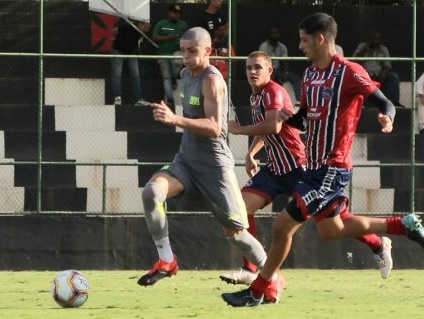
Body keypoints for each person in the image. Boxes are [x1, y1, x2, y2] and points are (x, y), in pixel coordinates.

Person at [221, 13, 424, 307]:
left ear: (320, 38)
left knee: (283, 226)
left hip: (332, 168)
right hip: (313, 166)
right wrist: (289, 118)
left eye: (304, 39)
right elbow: (305, 116)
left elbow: (383, 100)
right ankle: (401, 226)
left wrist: (388, 116)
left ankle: (259, 289)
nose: (300, 45)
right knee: (331, 229)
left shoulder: (349, 71)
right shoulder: (309, 75)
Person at [220, 51, 393, 285]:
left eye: (258, 67)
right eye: (249, 67)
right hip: (274, 170)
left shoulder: (273, 92)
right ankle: (250, 269)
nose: (252, 71)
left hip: (299, 168)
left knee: (333, 220)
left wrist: (238, 130)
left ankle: (378, 244)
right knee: (240, 207)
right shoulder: (256, 96)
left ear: (269, 71)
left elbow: (272, 125)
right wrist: (252, 153)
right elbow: (267, 127)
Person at [137, 27, 268, 293]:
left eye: (192, 51)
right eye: (183, 51)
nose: (185, 56)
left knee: (238, 234)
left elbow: (215, 127)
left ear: (207, 51)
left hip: (214, 167)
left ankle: (270, 273)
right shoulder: (185, 74)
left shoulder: (212, 80)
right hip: (186, 160)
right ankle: (166, 260)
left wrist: (175, 119)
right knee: (151, 192)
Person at [152, 4, 189, 110]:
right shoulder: (161, 24)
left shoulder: (183, 25)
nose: (177, 15)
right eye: (175, 13)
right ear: (169, 13)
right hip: (163, 53)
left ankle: (174, 78)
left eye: (179, 14)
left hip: (177, 52)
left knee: (177, 62)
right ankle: (170, 99)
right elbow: (155, 37)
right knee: (166, 76)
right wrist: (168, 38)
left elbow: (189, 37)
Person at [353, 30, 404, 107]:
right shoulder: (362, 47)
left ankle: (394, 102)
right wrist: (366, 49)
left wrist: (382, 75)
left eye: (377, 39)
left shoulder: (383, 49)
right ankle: (356, 102)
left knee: (393, 76)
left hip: (379, 74)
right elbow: (355, 61)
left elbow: (387, 65)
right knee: (355, 76)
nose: (375, 41)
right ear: (369, 39)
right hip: (364, 74)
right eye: (373, 39)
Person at [110, 19, 151, 106]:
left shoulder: (141, 32)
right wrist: (117, 38)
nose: (145, 30)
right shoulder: (128, 26)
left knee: (135, 75)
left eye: (147, 29)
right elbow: (114, 31)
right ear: (140, 23)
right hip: (118, 50)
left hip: (131, 52)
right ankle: (117, 97)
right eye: (145, 27)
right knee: (117, 74)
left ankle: (139, 99)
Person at [259, 26, 302, 101]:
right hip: (267, 70)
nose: (274, 35)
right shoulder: (264, 46)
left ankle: (299, 101)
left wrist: (286, 73)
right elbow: (262, 63)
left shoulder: (282, 47)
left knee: (296, 78)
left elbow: (285, 62)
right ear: (269, 35)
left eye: (276, 33)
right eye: (272, 33)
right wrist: (269, 73)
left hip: (278, 70)